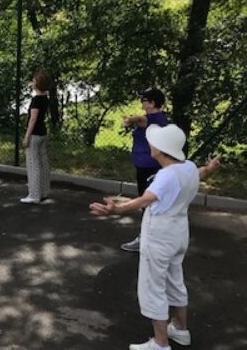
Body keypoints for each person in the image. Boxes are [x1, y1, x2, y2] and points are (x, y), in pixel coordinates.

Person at [90, 125, 221, 350]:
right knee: (174, 280)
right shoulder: (188, 167)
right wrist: (210, 168)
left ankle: (160, 343)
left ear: (161, 149)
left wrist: (116, 210)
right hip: (179, 232)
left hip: (160, 235)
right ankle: (180, 329)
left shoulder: (166, 176)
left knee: (152, 287)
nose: (150, 144)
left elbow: (144, 200)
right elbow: (201, 173)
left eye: (154, 142)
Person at [121, 87, 170, 252]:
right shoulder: (158, 118)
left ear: (152, 103)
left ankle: (145, 239)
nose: (141, 103)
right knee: (151, 203)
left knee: (147, 203)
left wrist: (129, 120)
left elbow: (138, 119)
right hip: (148, 165)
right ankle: (153, 238)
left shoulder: (153, 119)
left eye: (144, 100)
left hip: (148, 167)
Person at [20, 70, 51, 204]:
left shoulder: (36, 100)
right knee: (43, 163)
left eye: (33, 81)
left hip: (34, 134)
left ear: (37, 84)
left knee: (33, 165)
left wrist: (27, 136)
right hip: (42, 133)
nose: (31, 83)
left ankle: (34, 194)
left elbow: (33, 119)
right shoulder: (45, 98)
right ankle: (44, 191)